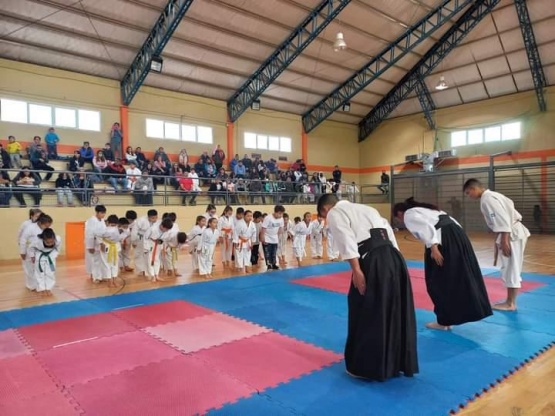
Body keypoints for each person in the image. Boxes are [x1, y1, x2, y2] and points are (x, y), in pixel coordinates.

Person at [317, 194, 418, 381]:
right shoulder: (368, 208)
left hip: (373, 260)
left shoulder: (335, 212)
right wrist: (398, 263)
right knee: (393, 308)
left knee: (366, 308)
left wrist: (356, 270)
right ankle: (396, 362)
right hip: (394, 258)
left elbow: (345, 239)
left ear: (325, 209)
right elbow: (388, 234)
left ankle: (367, 366)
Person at [393, 197, 493, 330]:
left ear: (400, 213)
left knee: (438, 281)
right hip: (457, 236)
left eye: (398, 218)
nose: (400, 221)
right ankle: (451, 317)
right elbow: (451, 222)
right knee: (459, 277)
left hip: (441, 240)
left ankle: (444, 321)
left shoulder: (409, 213)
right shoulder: (428, 209)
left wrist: (433, 247)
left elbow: (425, 227)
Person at [463, 179, 531, 311]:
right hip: (514, 231)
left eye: (468, 193)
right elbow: (508, 210)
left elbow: (502, 219)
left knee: (511, 267)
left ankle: (510, 303)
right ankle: (509, 301)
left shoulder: (488, 198)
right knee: (510, 266)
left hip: (512, 234)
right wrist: (495, 228)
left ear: (473, 189)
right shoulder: (494, 195)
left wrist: (504, 240)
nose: (469, 196)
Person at [29, 227, 61, 296]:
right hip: (40, 256)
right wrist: (32, 256)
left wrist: (56, 254)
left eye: (51, 242)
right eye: (47, 242)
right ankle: (41, 289)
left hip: (51, 256)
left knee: (51, 272)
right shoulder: (37, 240)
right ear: (43, 239)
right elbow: (31, 248)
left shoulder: (58, 239)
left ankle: (49, 288)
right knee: (40, 273)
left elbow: (58, 247)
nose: (49, 244)